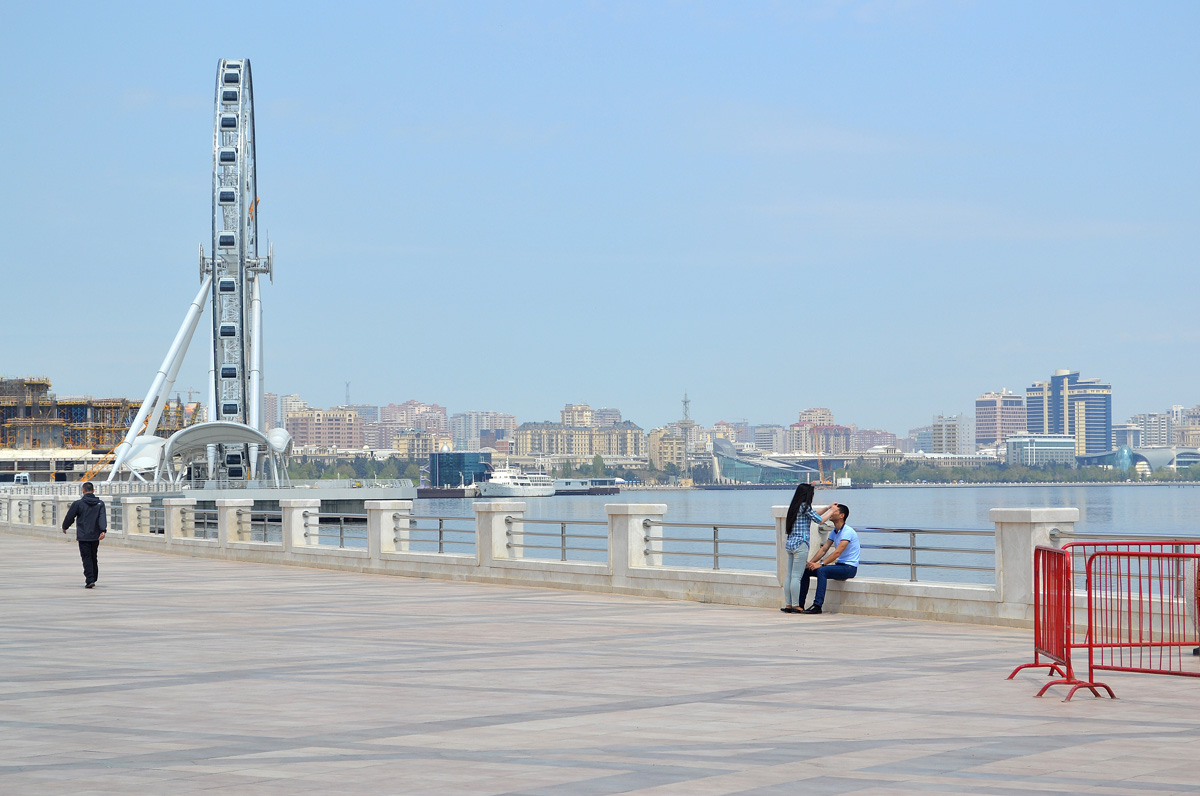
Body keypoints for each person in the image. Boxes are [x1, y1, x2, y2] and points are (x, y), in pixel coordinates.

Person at [780, 483, 837, 614]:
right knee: (796, 576)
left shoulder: (795, 506)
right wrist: (833, 511)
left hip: (790, 544)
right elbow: (820, 520)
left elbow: (814, 514)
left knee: (789, 575)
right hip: (801, 544)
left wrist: (828, 507)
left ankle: (788, 604)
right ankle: (796, 605)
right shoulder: (805, 506)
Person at [796, 502, 858, 614]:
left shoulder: (848, 531)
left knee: (822, 571)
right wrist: (811, 563)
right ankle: (800, 605)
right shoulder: (834, 531)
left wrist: (821, 564)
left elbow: (837, 552)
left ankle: (817, 605)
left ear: (841, 516)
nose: (831, 513)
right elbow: (823, 549)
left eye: (834, 511)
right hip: (839, 566)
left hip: (849, 568)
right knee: (806, 571)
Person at [61, 481, 107, 588]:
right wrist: (103, 531)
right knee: (93, 556)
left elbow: (70, 517)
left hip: (83, 535)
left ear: (83, 490)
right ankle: (93, 577)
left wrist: (65, 527)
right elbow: (102, 518)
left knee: (86, 557)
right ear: (93, 491)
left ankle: (90, 579)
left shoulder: (78, 504)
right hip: (95, 535)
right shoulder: (100, 504)